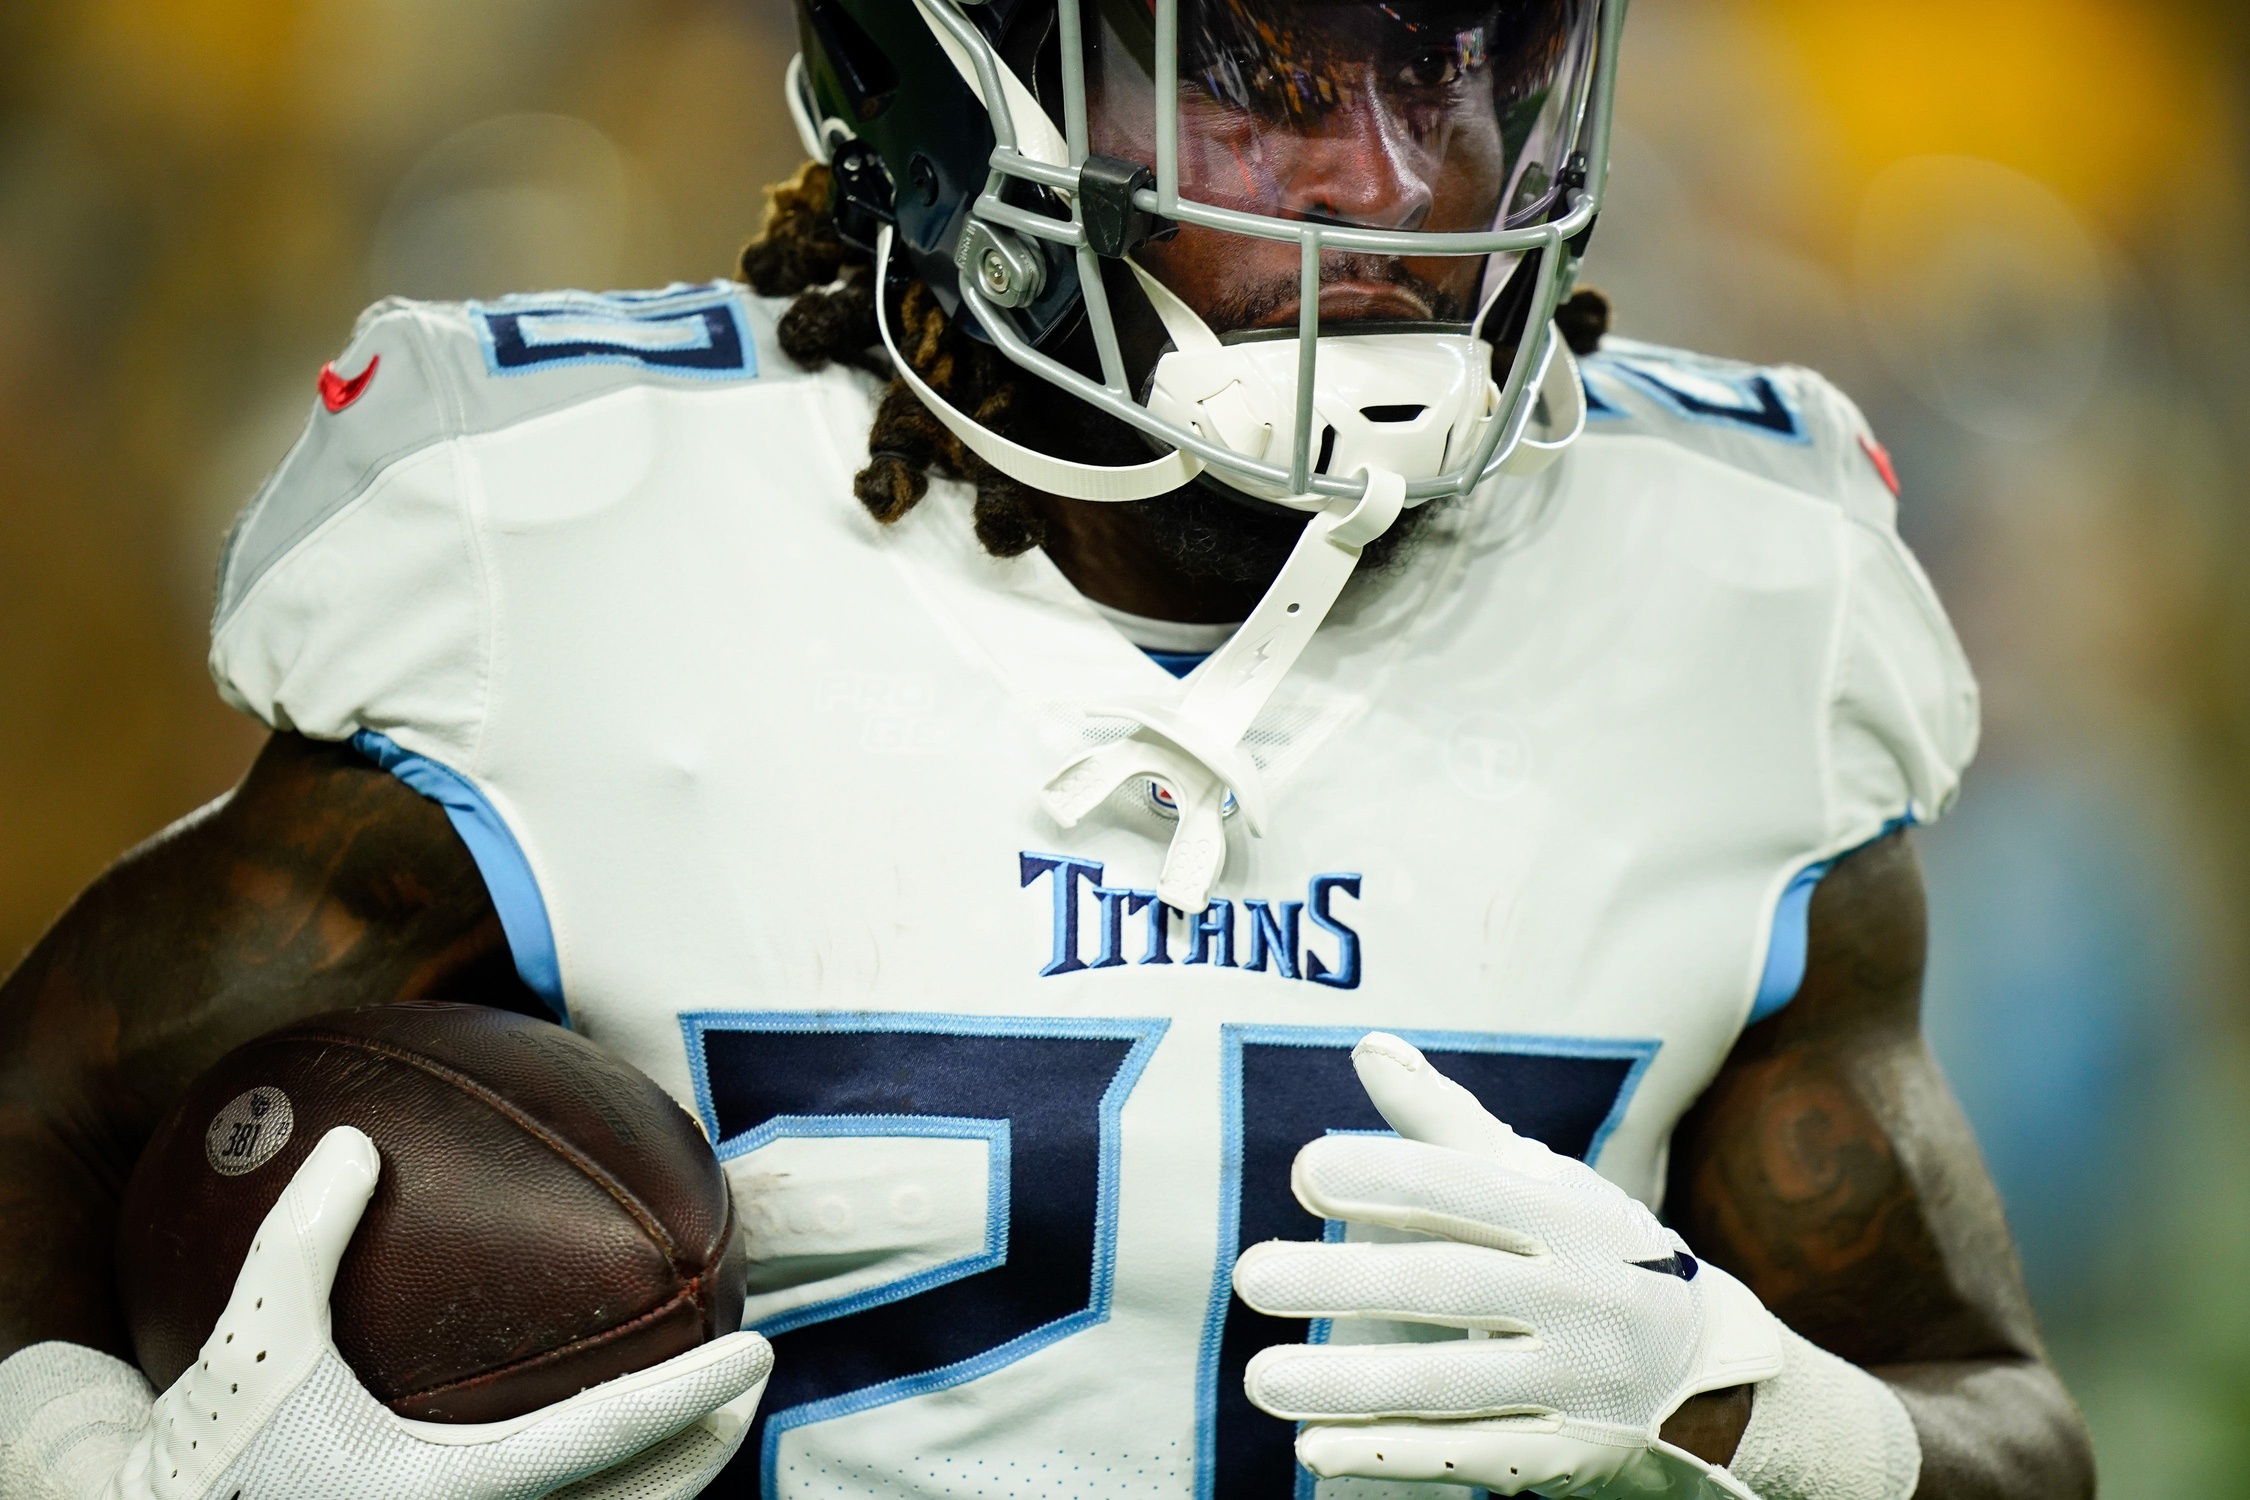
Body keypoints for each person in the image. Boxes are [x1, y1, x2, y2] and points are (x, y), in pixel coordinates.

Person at [0, 0, 2097, 1496]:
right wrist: (110, 1470)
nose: (1399, 178)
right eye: (1263, 79)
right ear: (957, 80)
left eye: (1475, 64)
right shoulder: (555, 547)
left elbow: (2002, 1422)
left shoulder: (1737, 590)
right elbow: (37, 1137)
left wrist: (1745, 1412)